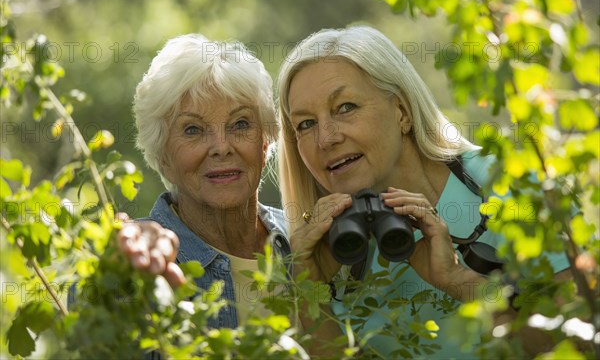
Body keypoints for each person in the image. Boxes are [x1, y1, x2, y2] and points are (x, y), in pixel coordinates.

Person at [275, 25, 571, 358]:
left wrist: (459, 280)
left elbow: (580, 342)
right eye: (305, 124)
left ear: (401, 111)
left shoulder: (510, 182)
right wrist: (307, 284)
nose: (325, 138)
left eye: (345, 108)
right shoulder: (328, 250)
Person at [117, 33, 291, 334]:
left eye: (240, 124)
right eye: (193, 129)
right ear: (163, 157)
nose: (221, 147)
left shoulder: (305, 241)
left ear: (264, 142)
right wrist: (112, 266)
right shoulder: (143, 262)